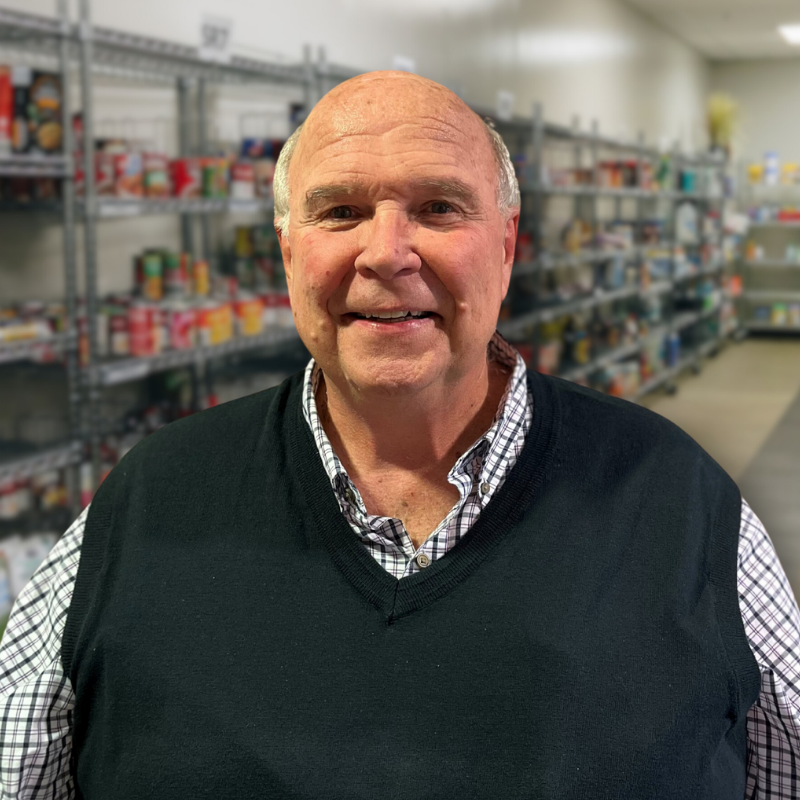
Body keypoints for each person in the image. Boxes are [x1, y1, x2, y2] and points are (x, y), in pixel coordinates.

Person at [1, 71, 799, 799]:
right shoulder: (142, 506)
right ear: (288, 249)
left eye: (439, 208)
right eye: (340, 210)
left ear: (508, 245)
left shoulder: (684, 506)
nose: (386, 253)